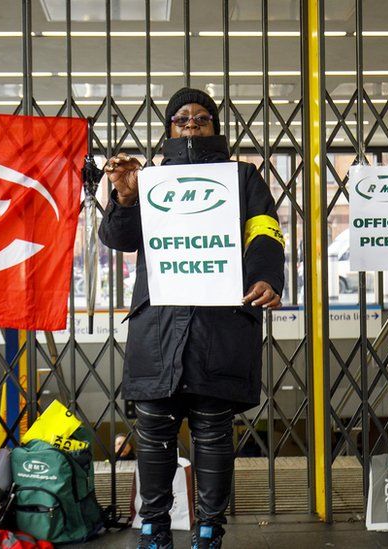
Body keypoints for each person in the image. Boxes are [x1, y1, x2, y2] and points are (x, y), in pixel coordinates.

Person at [99, 88, 285, 549]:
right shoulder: (151, 182)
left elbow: (265, 229)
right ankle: (153, 528)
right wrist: (125, 197)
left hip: (217, 326)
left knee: (212, 430)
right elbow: (118, 239)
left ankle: (209, 531)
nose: (190, 123)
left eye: (201, 118)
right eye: (181, 117)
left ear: (215, 128)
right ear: (168, 127)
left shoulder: (242, 178)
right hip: (159, 326)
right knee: (154, 430)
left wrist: (265, 276)